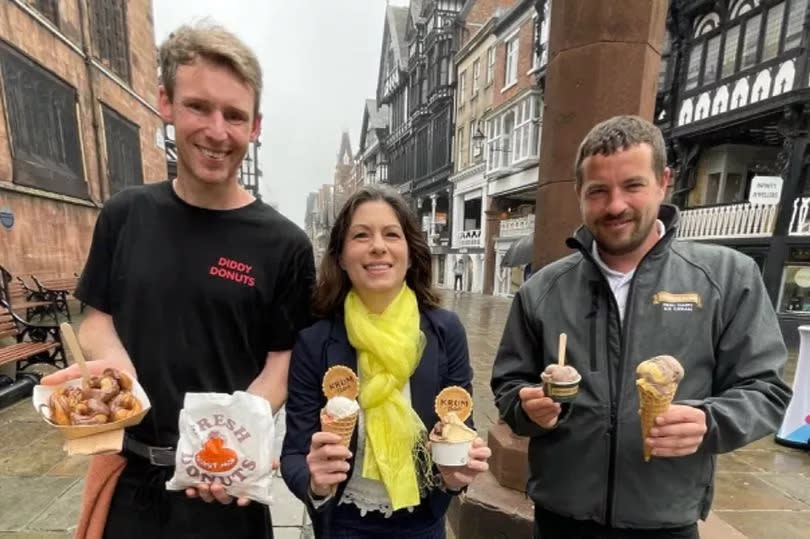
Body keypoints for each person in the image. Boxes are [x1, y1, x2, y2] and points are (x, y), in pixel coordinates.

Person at [41, 23, 314, 539]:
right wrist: (122, 384)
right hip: (132, 483)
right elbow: (98, 321)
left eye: (235, 115)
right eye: (199, 107)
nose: (217, 130)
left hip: (228, 488)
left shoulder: (284, 244)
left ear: (255, 126)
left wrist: (228, 440)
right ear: (165, 102)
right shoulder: (125, 214)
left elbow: (283, 362)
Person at [490, 115, 792, 539]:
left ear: (663, 182)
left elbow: (767, 390)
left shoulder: (727, 278)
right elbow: (508, 385)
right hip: (562, 520)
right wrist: (525, 408)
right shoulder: (542, 289)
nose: (615, 206)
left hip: (665, 520)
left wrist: (711, 422)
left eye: (632, 186)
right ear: (580, 193)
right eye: (598, 191)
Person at [281, 185, 490, 538]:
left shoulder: (445, 332)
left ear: (410, 253)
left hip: (423, 523)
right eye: (361, 235)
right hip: (343, 524)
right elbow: (293, 455)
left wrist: (456, 471)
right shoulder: (315, 342)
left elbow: (457, 428)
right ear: (342, 257)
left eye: (391, 234)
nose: (378, 245)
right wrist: (314, 482)